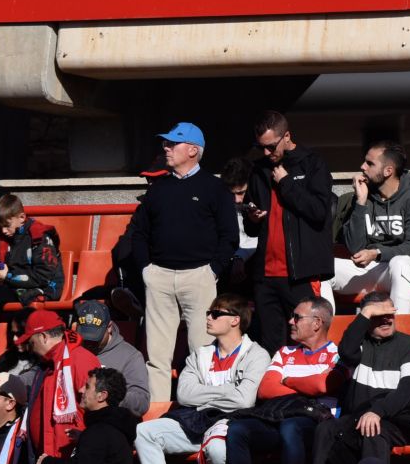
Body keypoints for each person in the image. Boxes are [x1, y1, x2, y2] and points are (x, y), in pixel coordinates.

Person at [124, 122, 238, 402]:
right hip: (159, 277)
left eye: (172, 144)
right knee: (157, 356)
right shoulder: (158, 189)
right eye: (166, 143)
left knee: (203, 351)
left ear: (193, 150)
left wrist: (212, 271)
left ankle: (202, 413)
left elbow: (229, 236)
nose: (166, 148)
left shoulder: (215, 188)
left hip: (199, 277)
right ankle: (157, 415)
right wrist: (146, 270)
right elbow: (139, 232)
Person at [134, 296, 269, 464]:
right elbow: (184, 395)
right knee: (144, 432)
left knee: (217, 451)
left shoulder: (257, 355)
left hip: (231, 423)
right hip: (197, 420)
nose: (208, 318)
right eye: (208, 314)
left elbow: (244, 401)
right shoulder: (199, 354)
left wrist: (204, 392)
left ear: (235, 320)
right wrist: (229, 389)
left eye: (215, 314)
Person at [244, 110, 334, 355]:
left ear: (287, 137)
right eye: (260, 147)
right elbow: (251, 226)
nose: (266, 153)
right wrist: (252, 217)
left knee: (305, 343)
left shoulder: (312, 162)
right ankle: (278, 393)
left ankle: (307, 393)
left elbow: (318, 211)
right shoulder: (259, 169)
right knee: (272, 346)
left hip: (300, 273)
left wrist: (286, 183)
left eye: (271, 147)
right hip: (266, 274)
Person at [312, 293, 410, 464]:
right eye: (377, 315)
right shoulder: (361, 345)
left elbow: (409, 390)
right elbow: (346, 352)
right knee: (325, 429)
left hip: (398, 420)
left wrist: (377, 411)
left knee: (373, 430)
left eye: (389, 314)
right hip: (357, 418)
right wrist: (366, 313)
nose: (386, 320)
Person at [224, 296, 336, 464]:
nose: (291, 321)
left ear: (317, 323)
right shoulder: (285, 352)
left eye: (297, 317)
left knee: (290, 427)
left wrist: (286, 379)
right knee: (238, 429)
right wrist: (307, 390)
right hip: (279, 417)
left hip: (317, 424)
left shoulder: (336, 354)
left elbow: (322, 385)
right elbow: (266, 389)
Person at [333, 142, 410, 315]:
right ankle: (323, 340)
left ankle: (398, 338)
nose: (362, 167)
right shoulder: (364, 196)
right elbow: (355, 248)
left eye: (370, 164)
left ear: (388, 171)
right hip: (373, 269)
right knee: (323, 268)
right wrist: (360, 202)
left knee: (399, 263)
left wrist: (377, 252)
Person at [0, 194, 65, 325]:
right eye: (0, 226)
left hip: (37, 288)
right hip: (10, 285)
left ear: (22, 217)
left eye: (6, 225)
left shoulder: (39, 237)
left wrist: (8, 276)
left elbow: (43, 277)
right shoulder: (6, 238)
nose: (3, 230)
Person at [9, 307, 98, 461]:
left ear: (43, 337)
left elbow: (97, 412)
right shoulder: (48, 364)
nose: (30, 348)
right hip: (50, 461)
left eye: (31, 342)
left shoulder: (80, 360)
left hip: (70, 461)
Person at [72, 299, 150, 417]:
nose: (89, 343)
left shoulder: (130, 356)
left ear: (109, 327)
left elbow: (141, 402)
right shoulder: (72, 350)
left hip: (106, 422)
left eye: (95, 337)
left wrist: (108, 395)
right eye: (85, 337)